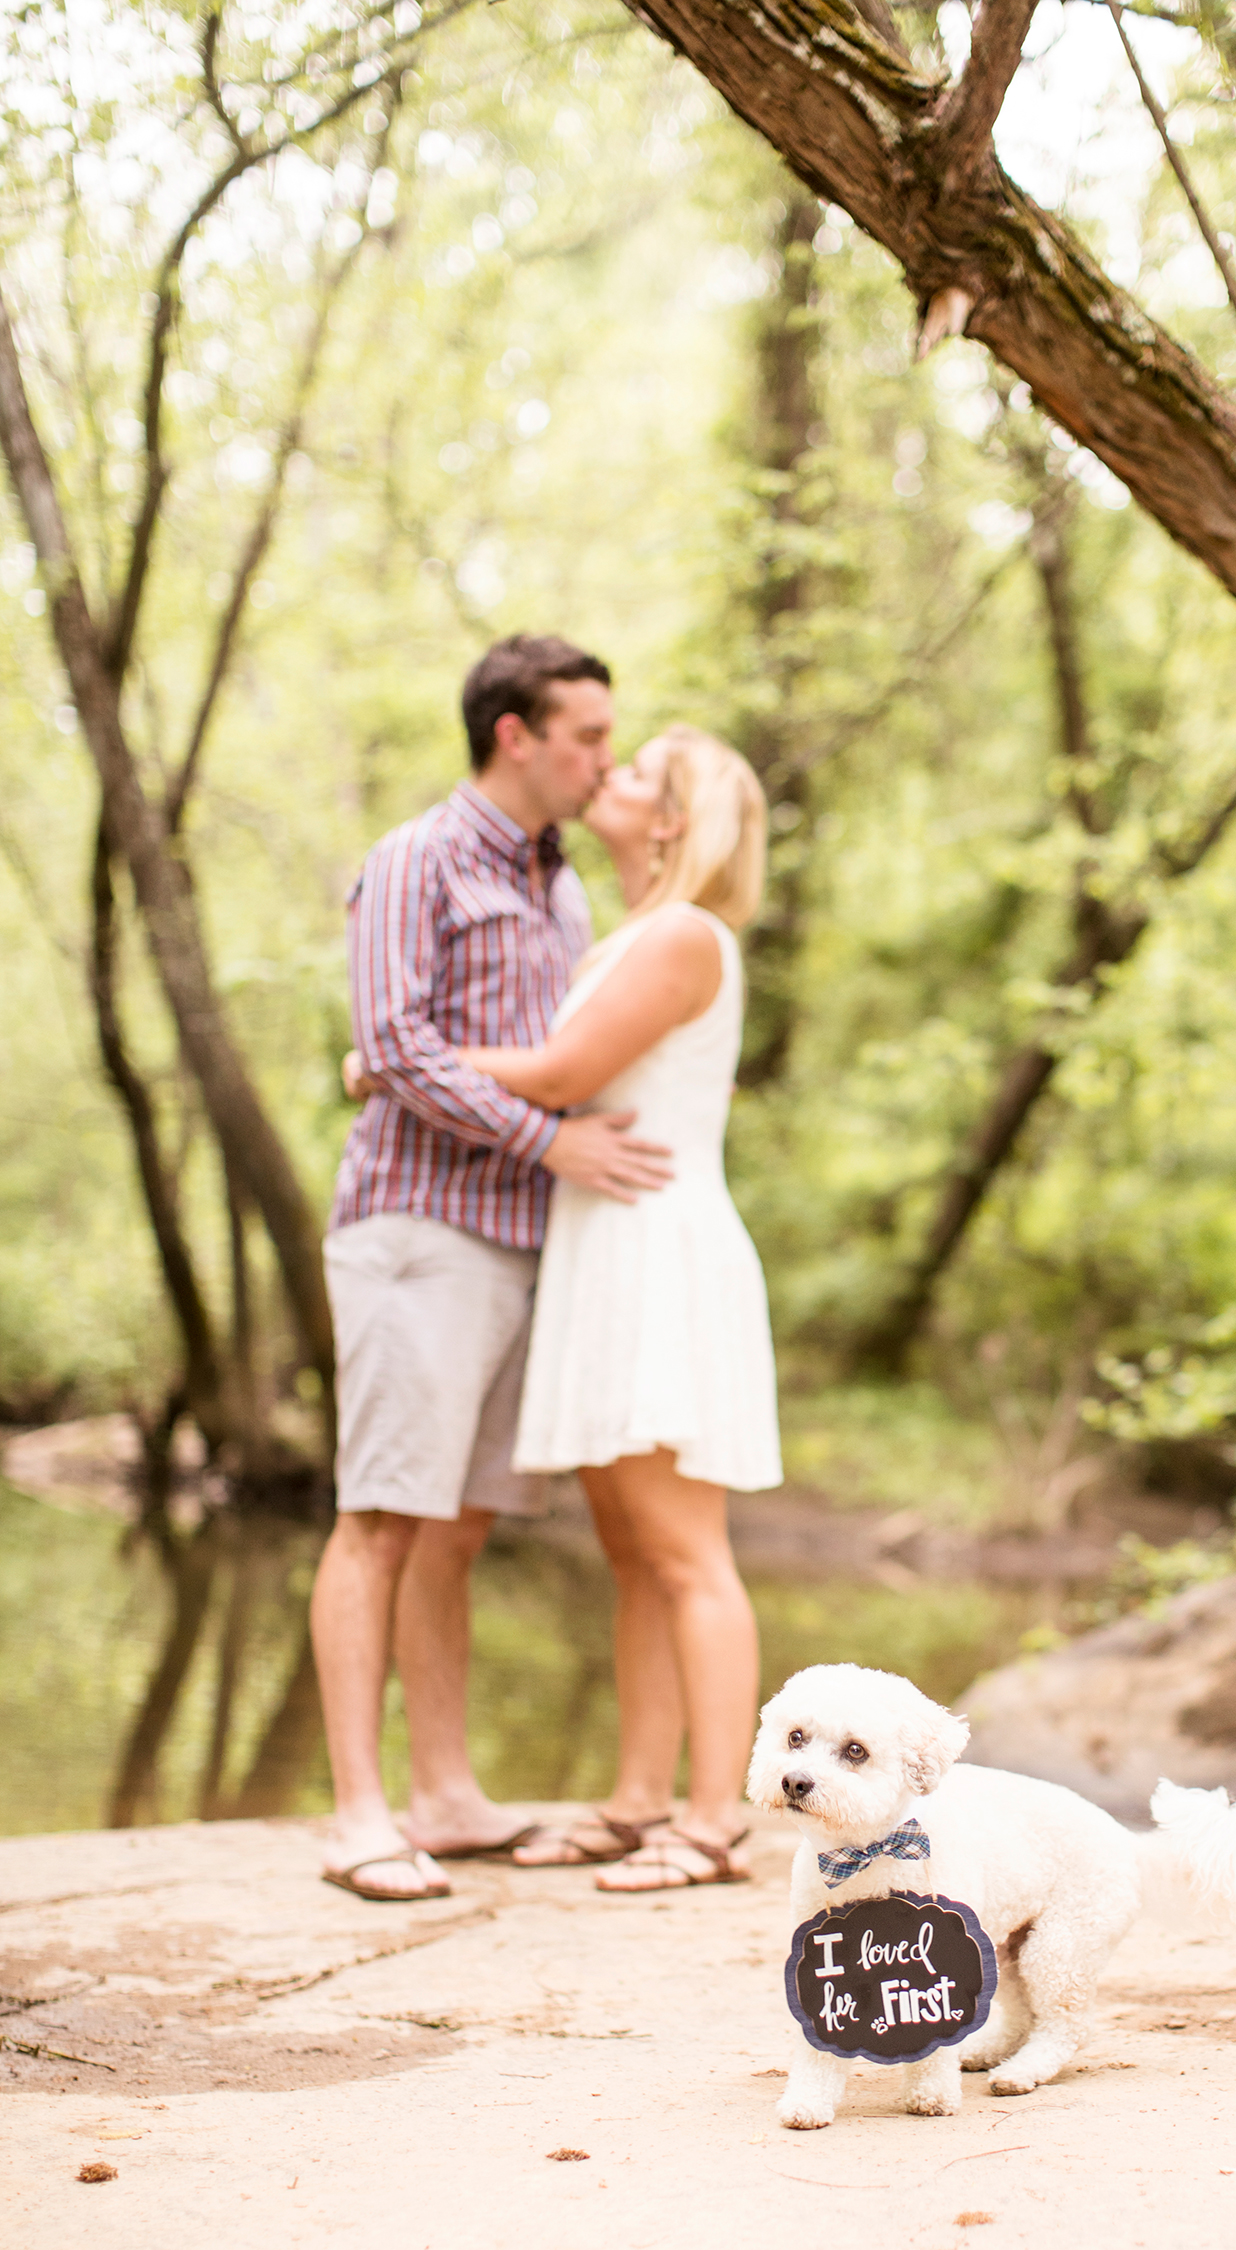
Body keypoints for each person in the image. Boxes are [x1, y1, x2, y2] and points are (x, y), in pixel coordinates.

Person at [312, 633, 673, 1902]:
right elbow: (396, 1050)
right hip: (417, 1233)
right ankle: (358, 1813)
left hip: (529, 1245)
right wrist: (551, 1142)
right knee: (379, 1520)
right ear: (514, 734)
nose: (604, 761)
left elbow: (553, 1051)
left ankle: (446, 1794)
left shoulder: (562, 887)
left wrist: (566, 1151)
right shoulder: (414, 859)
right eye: (586, 737)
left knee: (457, 1532)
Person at [454, 724, 782, 1891]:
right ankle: (640, 1797)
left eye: (639, 771)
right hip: (608, 1248)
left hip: (662, 1251)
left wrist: (400, 1054)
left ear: (673, 821)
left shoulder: (687, 937)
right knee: (636, 1555)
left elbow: (555, 1077)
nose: (614, 775)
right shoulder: (632, 931)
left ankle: (710, 1821)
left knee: (688, 1553)